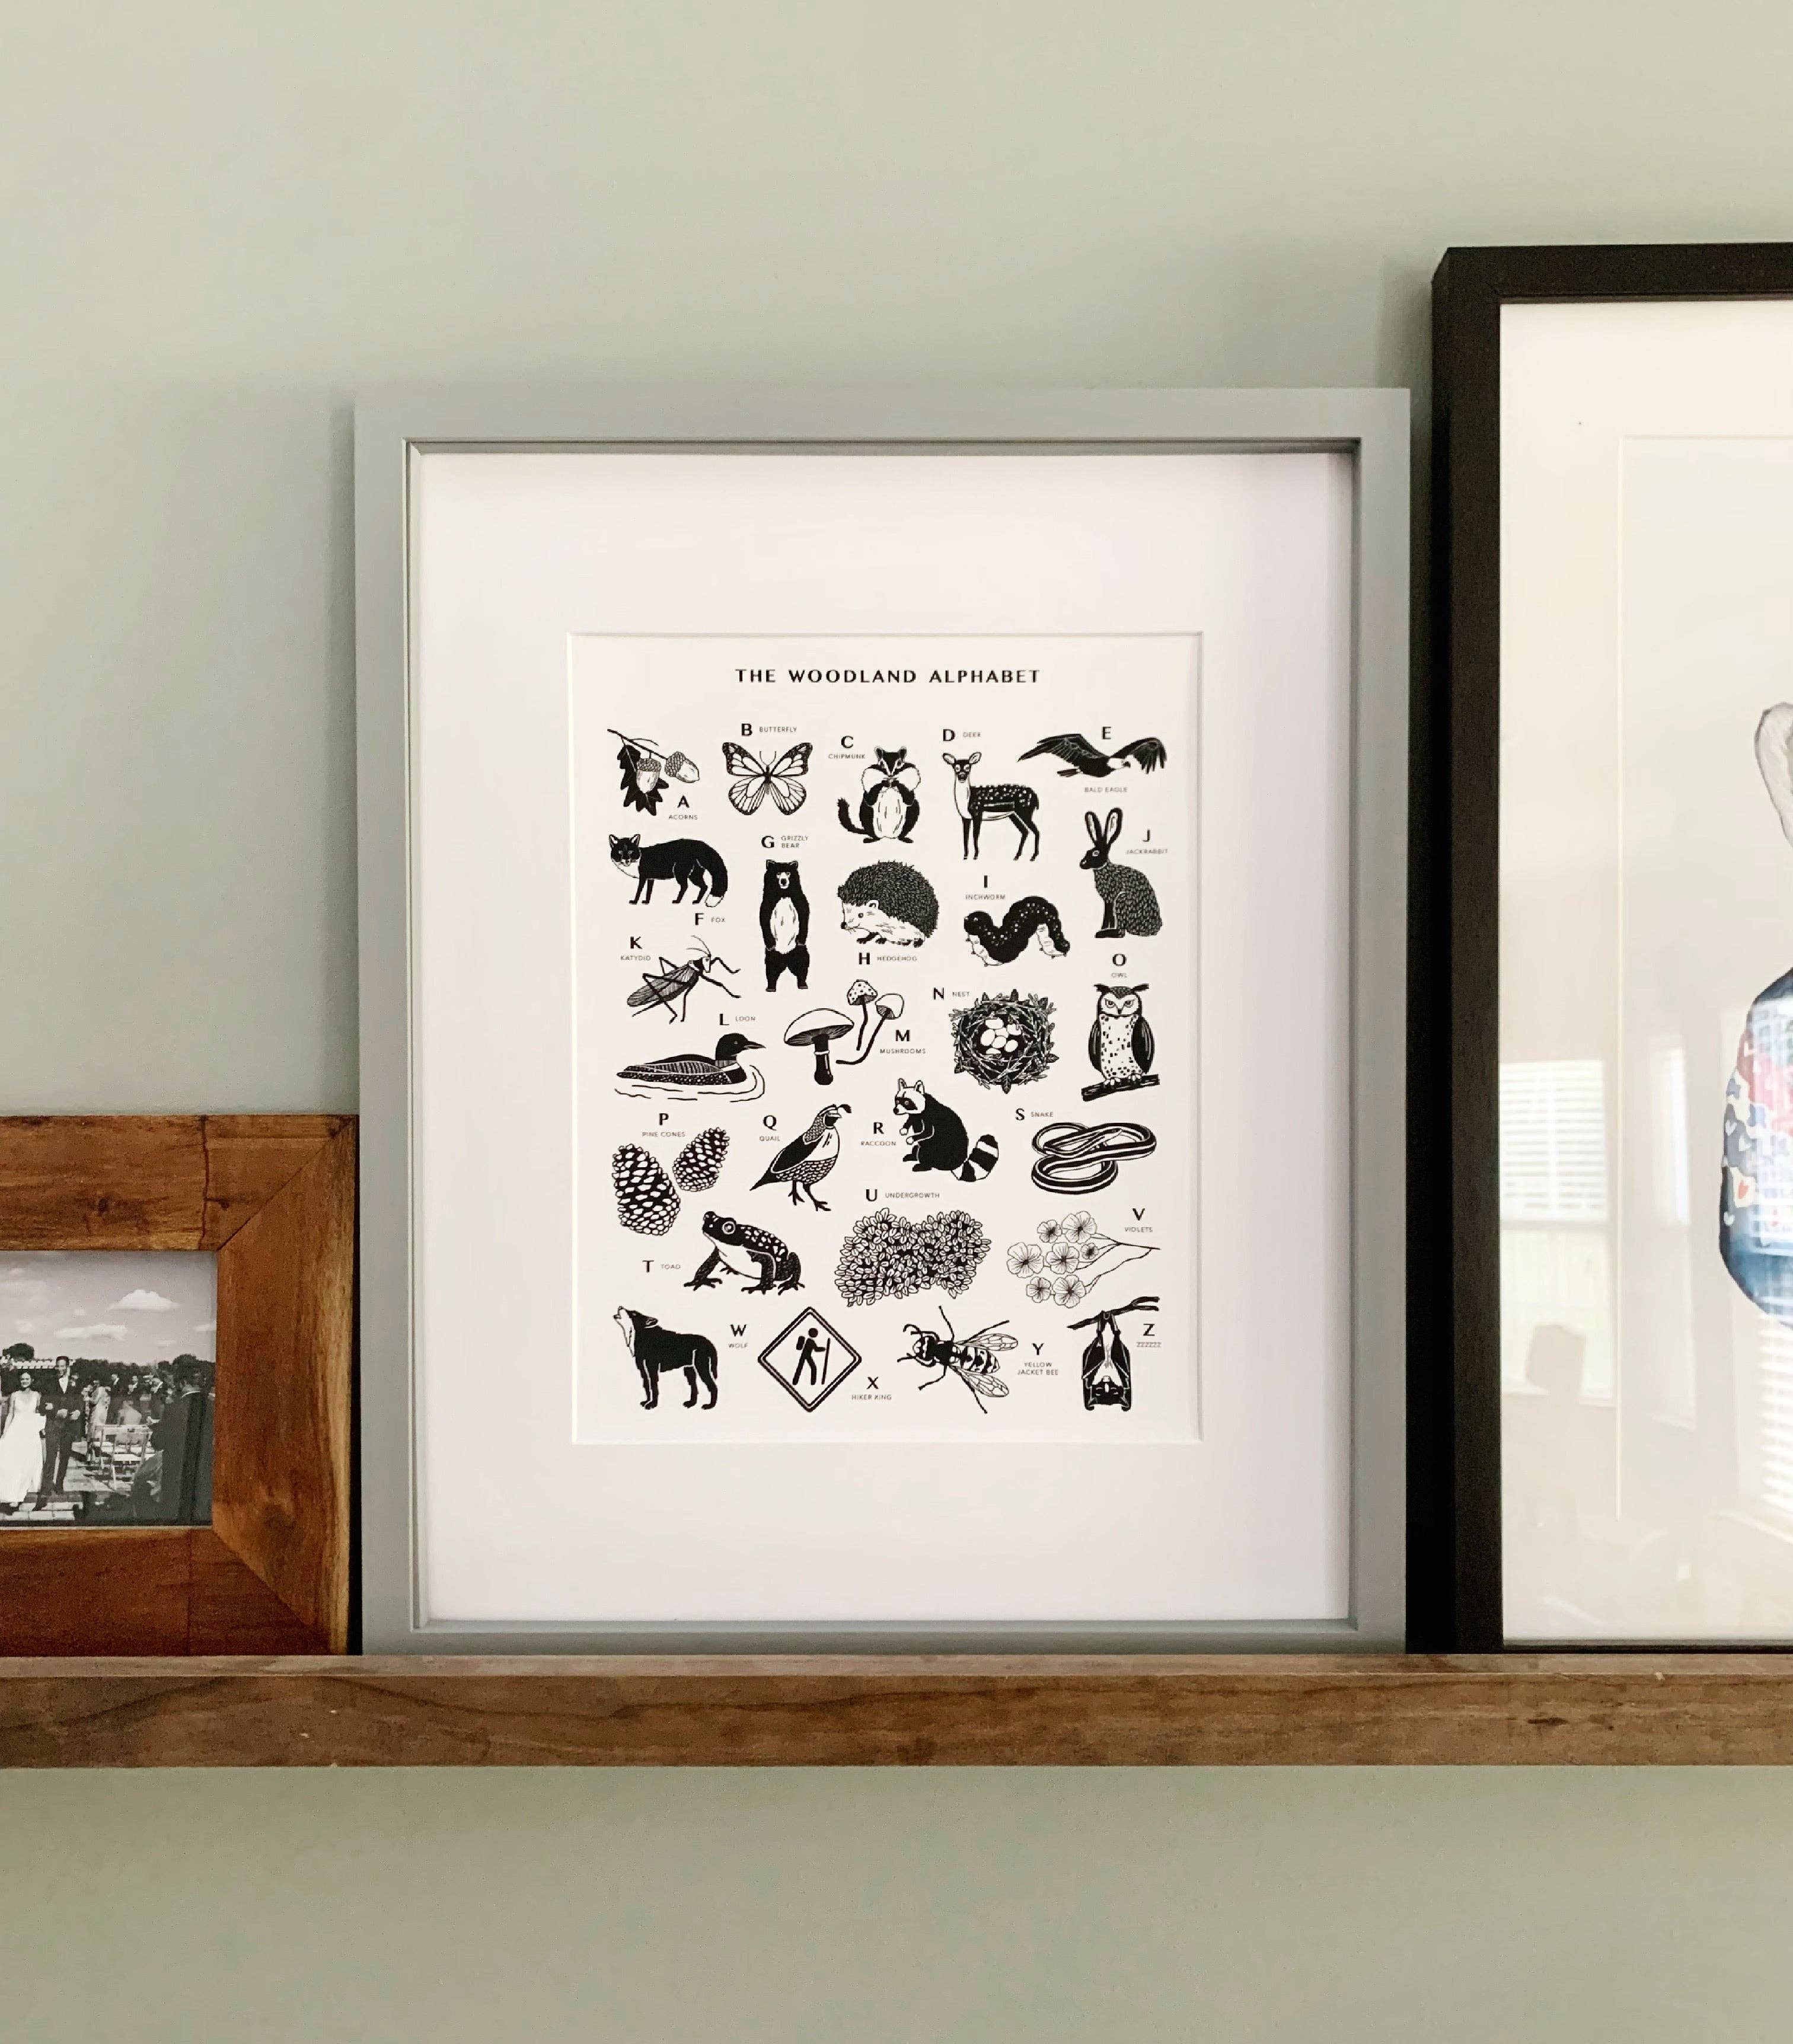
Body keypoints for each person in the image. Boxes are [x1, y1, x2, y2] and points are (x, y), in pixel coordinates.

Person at [36, 1356, 83, 1502]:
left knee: (65, 1457)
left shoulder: (75, 1384)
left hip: (69, 1426)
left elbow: (79, 1401)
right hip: (53, 1425)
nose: (59, 1369)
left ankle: (59, 1484)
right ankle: (46, 1488)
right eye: (58, 1366)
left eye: (62, 1366)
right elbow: (42, 1406)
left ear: (67, 1367)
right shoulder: (49, 1383)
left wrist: (78, 1412)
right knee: (50, 1457)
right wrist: (55, 1410)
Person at [0, 1372, 46, 1512]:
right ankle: (14, 1495)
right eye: (22, 1379)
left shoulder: (37, 1396)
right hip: (16, 1431)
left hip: (31, 1433)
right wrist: (5, 1433)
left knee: (29, 1462)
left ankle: (23, 1490)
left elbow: (39, 1414)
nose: (25, 1381)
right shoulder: (14, 1395)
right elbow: (10, 1415)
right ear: (20, 1381)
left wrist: (42, 1431)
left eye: (27, 1379)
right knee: (15, 1463)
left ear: (32, 1380)